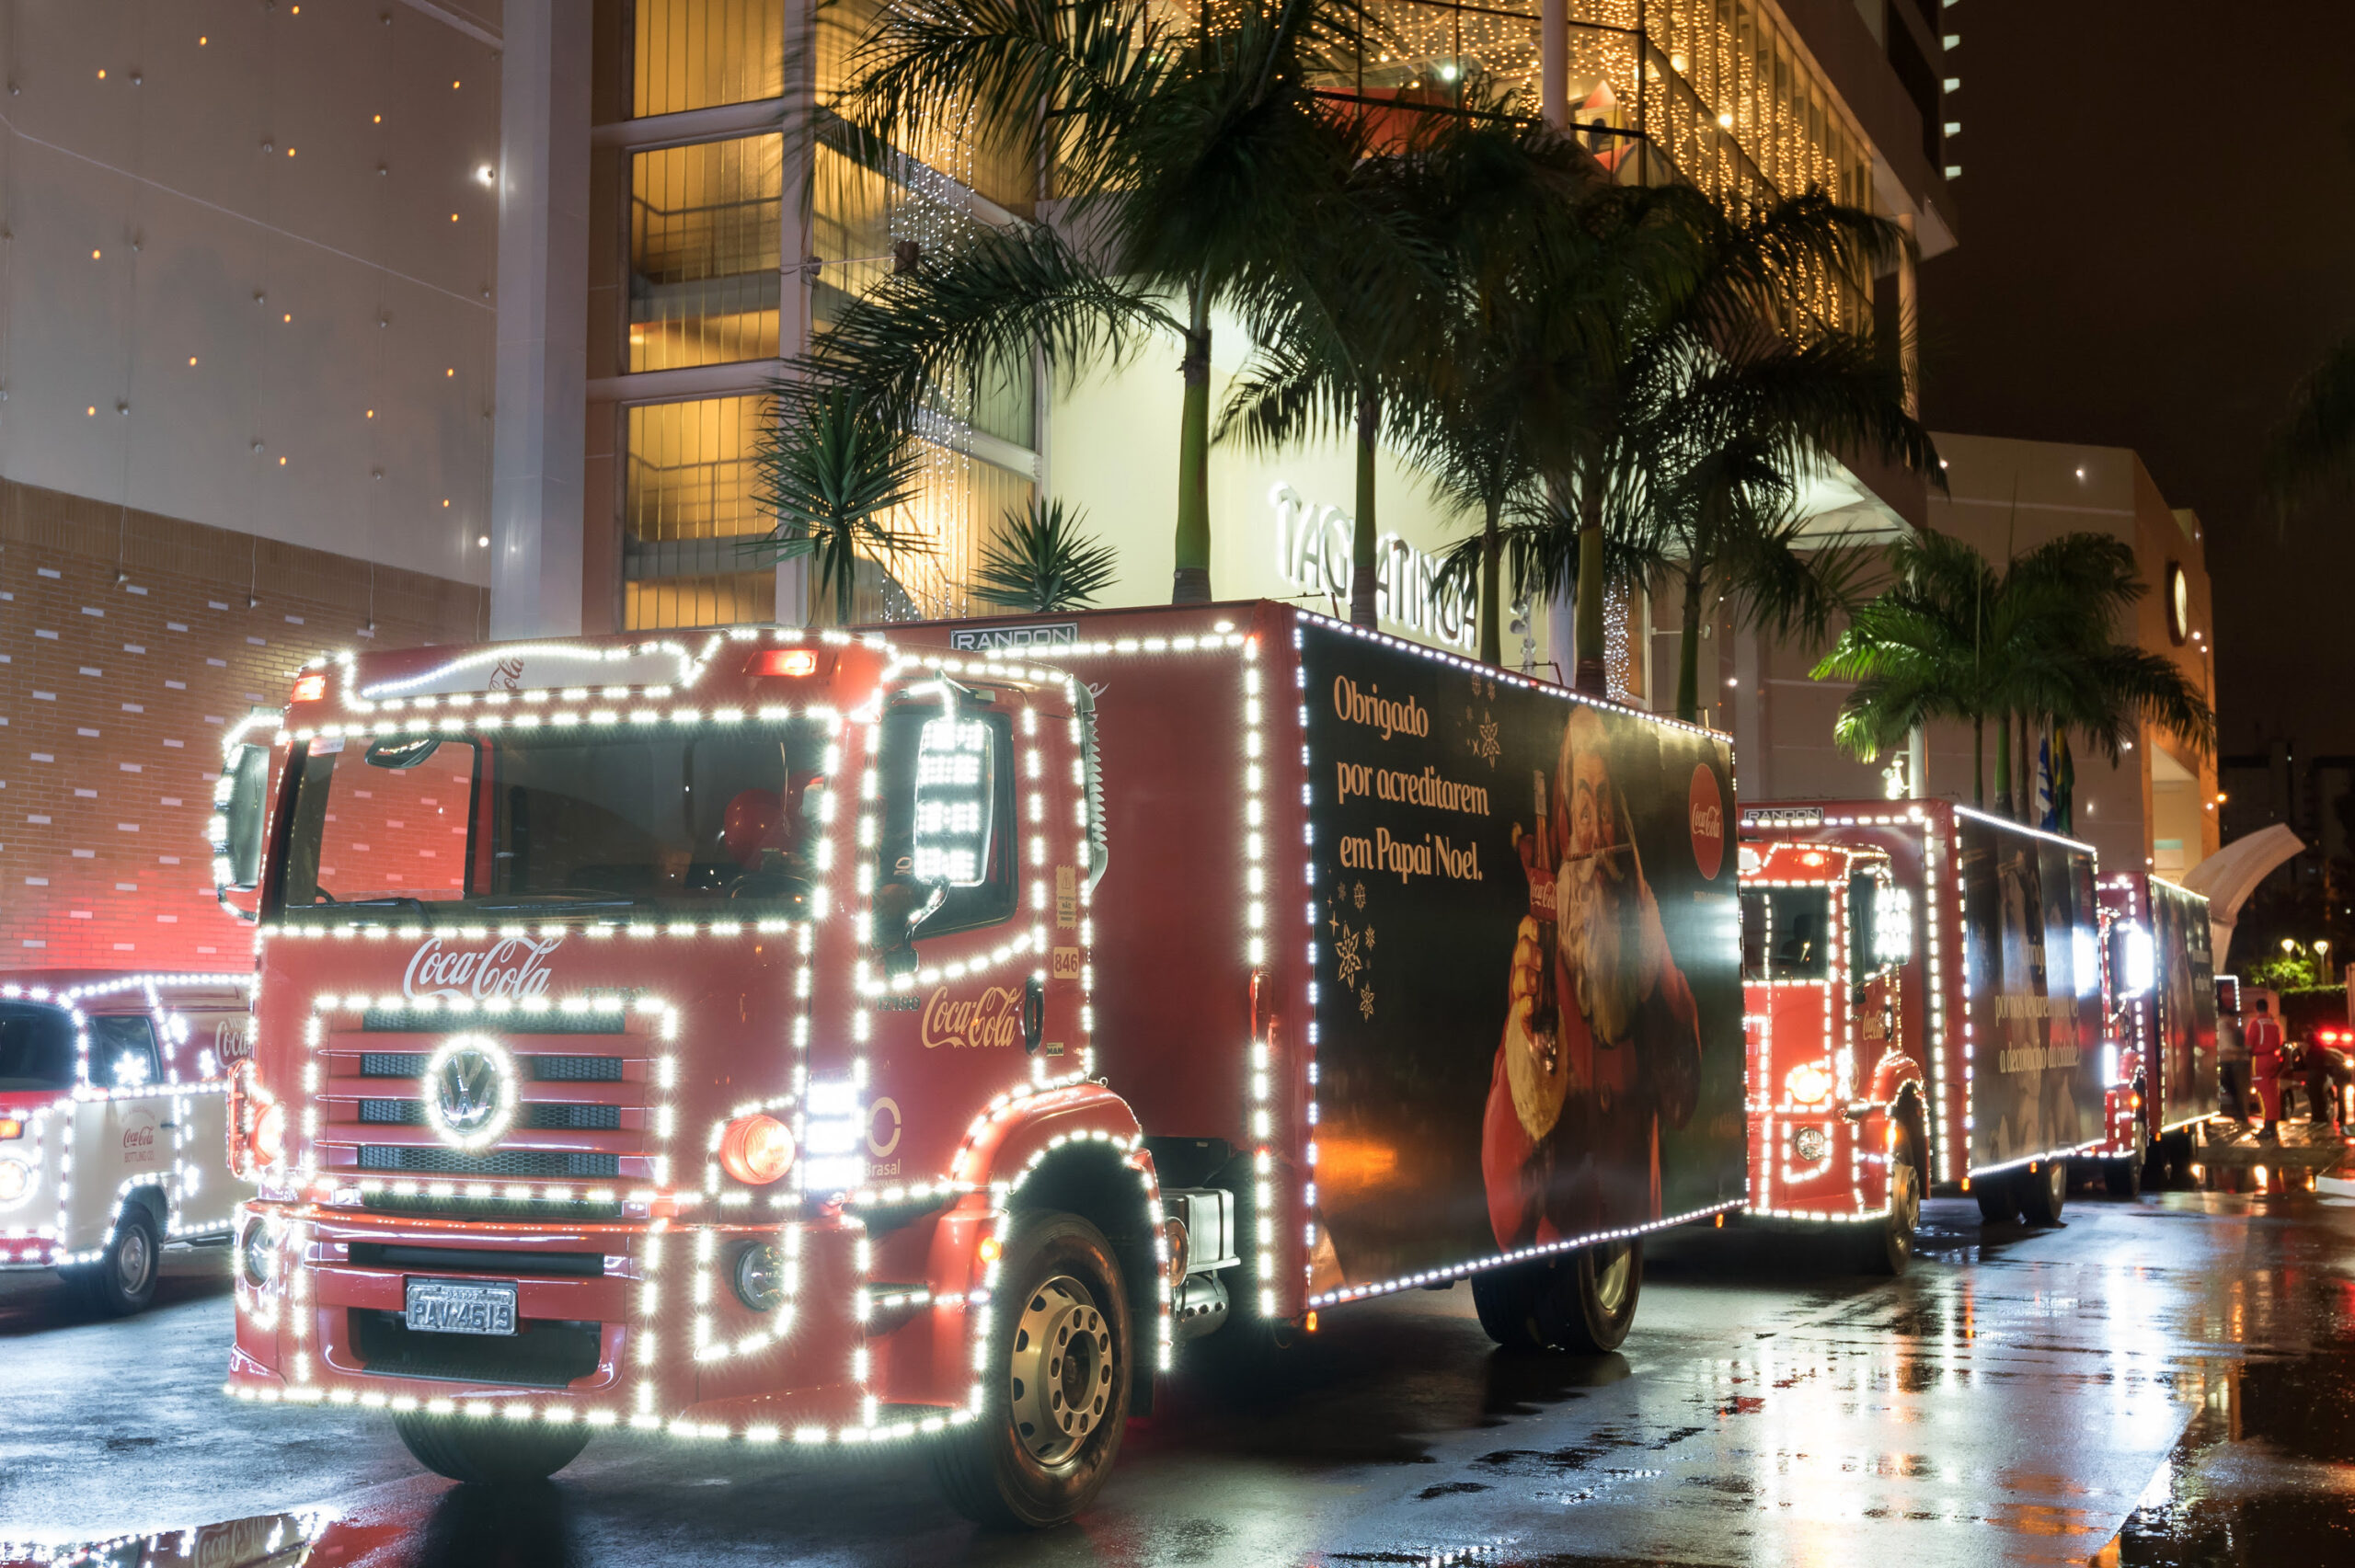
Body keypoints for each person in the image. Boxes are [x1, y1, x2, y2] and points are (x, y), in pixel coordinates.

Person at [1482, 705, 1702, 1248]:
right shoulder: (1536, 961)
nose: (1595, 829)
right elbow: (1505, 1206)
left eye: (1605, 804)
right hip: (1558, 1242)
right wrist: (1524, 1040)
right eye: (1581, 801)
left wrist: (1663, 973)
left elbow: (1683, 1099)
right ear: (1563, 821)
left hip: (1626, 1222)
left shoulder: (1644, 939)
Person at [2247, 996, 2286, 1143]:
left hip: (2260, 1060)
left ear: (2257, 1009)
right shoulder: (2275, 1025)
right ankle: (2273, 1126)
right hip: (2273, 1059)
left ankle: (2267, 1126)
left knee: (2262, 1094)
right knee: (2273, 1094)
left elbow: (2250, 1044)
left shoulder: (2256, 1024)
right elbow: (2279, 1043)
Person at [2216, 989, 2253, 1125]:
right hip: (2232, 1062)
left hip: (2233, 1062)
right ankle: (2241, 1116)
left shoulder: (2233, 1028)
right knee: (2237, 1091)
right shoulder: (2225, 1025)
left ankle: (2241, 1117)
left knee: (2237, 1091)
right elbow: (2228, 1049)